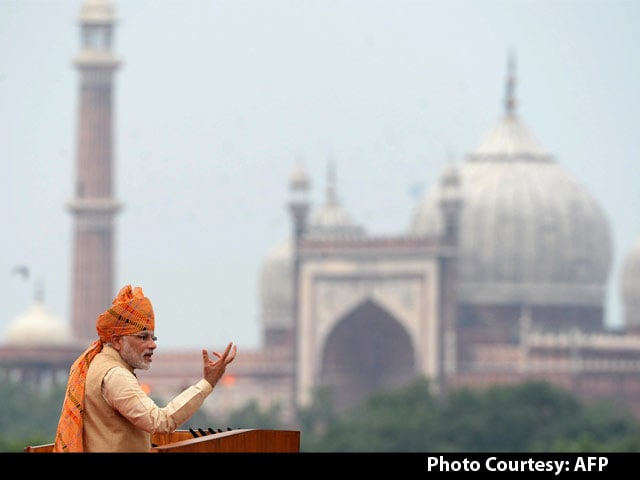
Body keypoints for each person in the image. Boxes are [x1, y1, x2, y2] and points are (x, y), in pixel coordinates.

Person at [53, 284, 237, 452]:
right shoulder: (116, 376)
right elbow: (161, 422)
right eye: (143, 337)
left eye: (153, 338)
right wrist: (207, 384)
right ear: (117, 341)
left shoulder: (96, 364)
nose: (152, 345)